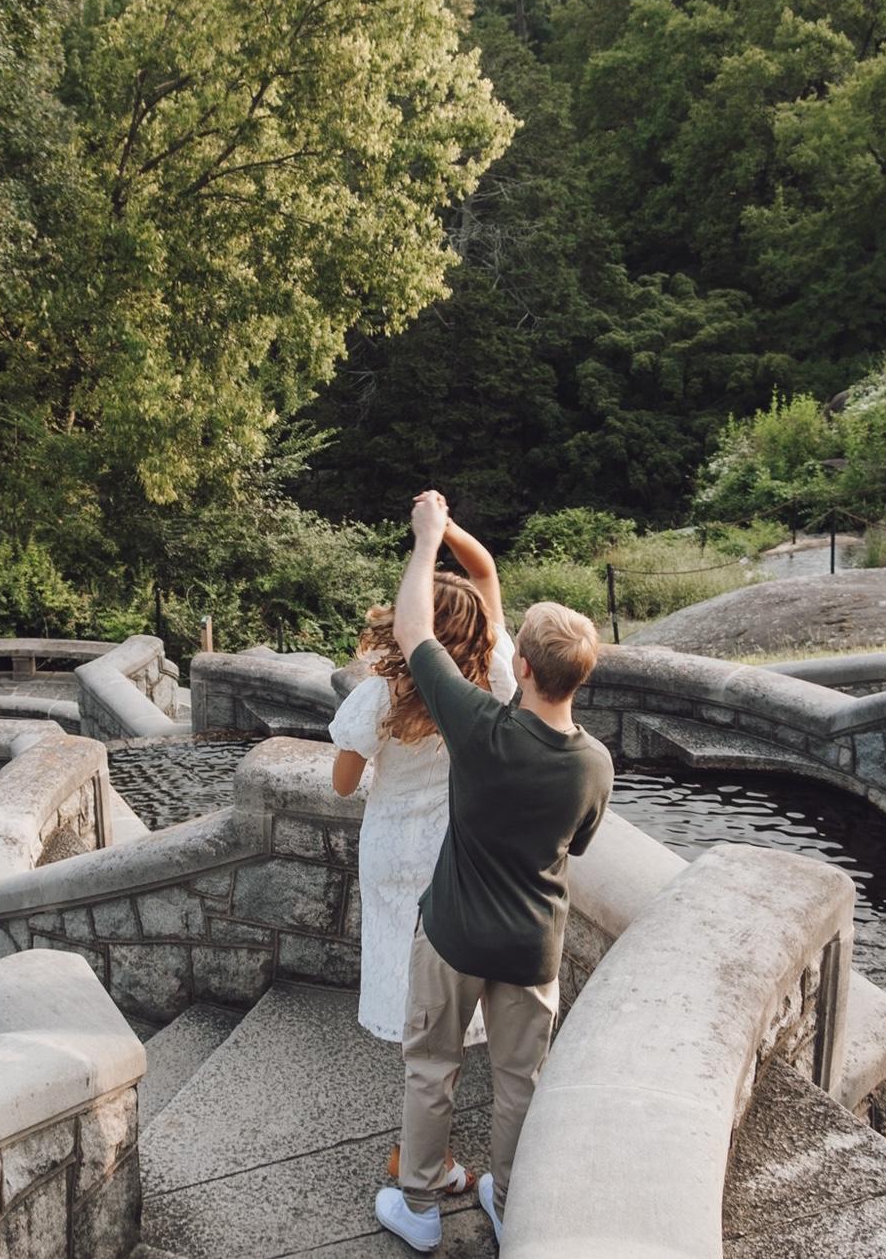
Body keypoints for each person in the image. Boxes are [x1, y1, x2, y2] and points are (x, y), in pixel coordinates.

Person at [374, 490, 614, 1254]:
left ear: (523, 664)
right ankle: (510, 1203)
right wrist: (446, 532)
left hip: (452, 936)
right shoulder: (595, 765)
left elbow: (413, 630)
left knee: (430, 1067)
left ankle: (419, 1204)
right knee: (519, 1083)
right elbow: (577, 846)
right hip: (531, 947)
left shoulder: (479, 727)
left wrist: (427, 538)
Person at [329, 519, 516, 1195]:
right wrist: (444, 531)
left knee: (409, 984)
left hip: (392, 853)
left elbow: (343, 784)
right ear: (479, 629)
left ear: (410, 625)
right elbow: (486, 573)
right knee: (451, 990)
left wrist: (423, 541)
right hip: (457, 851)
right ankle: (425, 1144)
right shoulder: (494, 679)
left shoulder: (380, 691)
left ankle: (417, 1147)